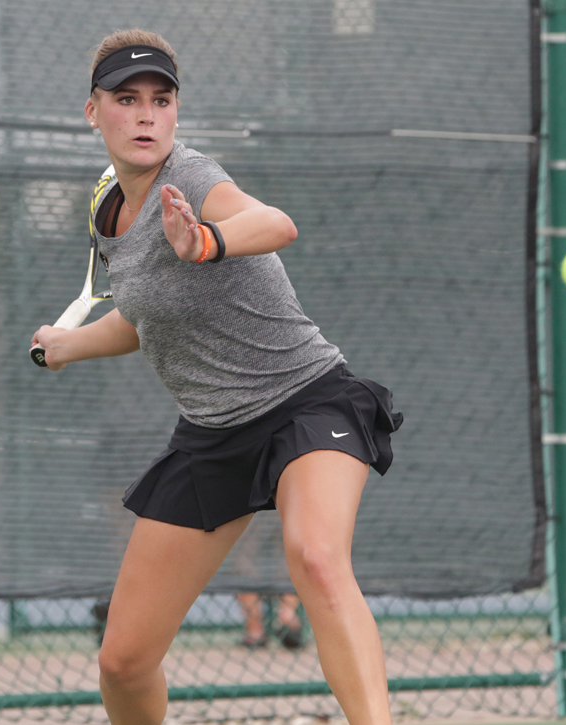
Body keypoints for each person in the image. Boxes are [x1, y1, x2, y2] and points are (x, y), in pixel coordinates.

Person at [30, 29, 402, 725]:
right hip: (211, 435)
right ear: (93, 111)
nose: (145, 115)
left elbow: (275, 222)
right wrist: (67, 345)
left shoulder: (192, 177)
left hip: (305, 401)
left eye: (161, 100)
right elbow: (143, 321)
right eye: (126, 99)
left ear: (175, 112)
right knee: (123, 660)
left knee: (316, 558)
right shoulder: (108, 210)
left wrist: (204, 239)